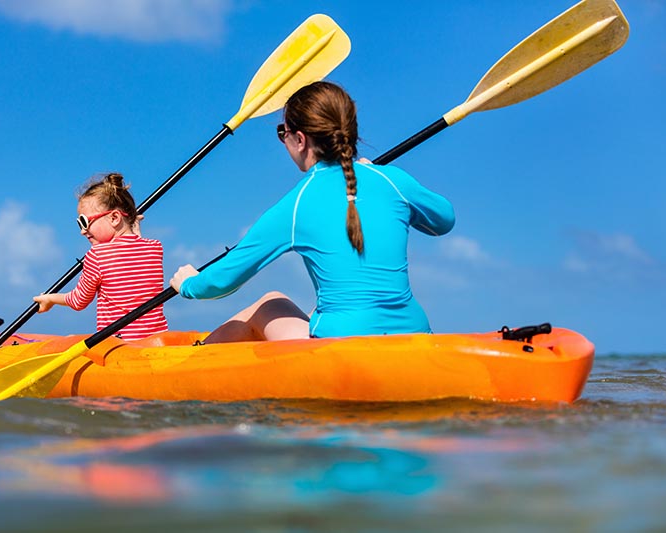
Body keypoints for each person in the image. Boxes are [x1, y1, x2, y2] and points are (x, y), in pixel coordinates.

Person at [169, 81, 454, 343]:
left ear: (301, 139)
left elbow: (222, 280)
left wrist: (188, 284)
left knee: (270, 303)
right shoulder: (392, 180)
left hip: (339, 344)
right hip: (416, 335)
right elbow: (444, 220)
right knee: (314, 306)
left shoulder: (297, 203)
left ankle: (192, 362)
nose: (284, 142)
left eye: (283, 133)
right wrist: (382, 175)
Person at [34, 172, 168, 340]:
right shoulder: (155, 248)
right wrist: (134, 229)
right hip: (157, 341)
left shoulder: (96, 256)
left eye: (84, 222)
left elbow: (78, 301)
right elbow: (134, 253)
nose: (83, 231)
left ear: (114, 217)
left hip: (120, 345)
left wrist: (50, 299)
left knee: (70, 338)